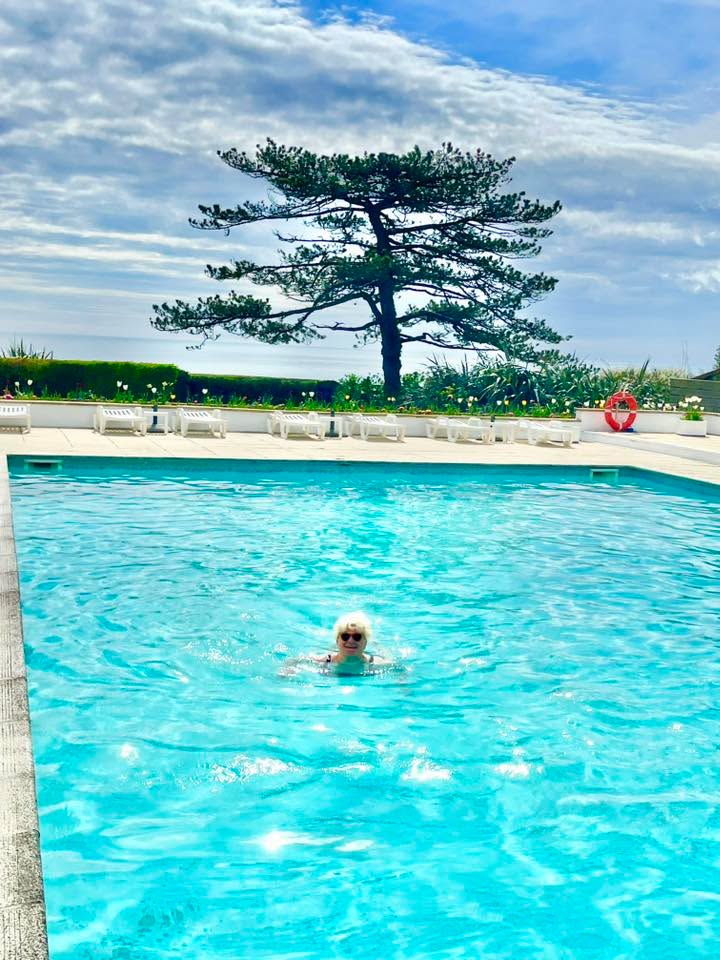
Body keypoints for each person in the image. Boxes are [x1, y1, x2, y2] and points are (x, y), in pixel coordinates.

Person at [316, 611, 383, 674]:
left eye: (357, 637)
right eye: (345, 636)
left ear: (365, 642)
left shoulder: (376, 664)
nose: (350, 641)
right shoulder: (323, 661)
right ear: (337, 640)